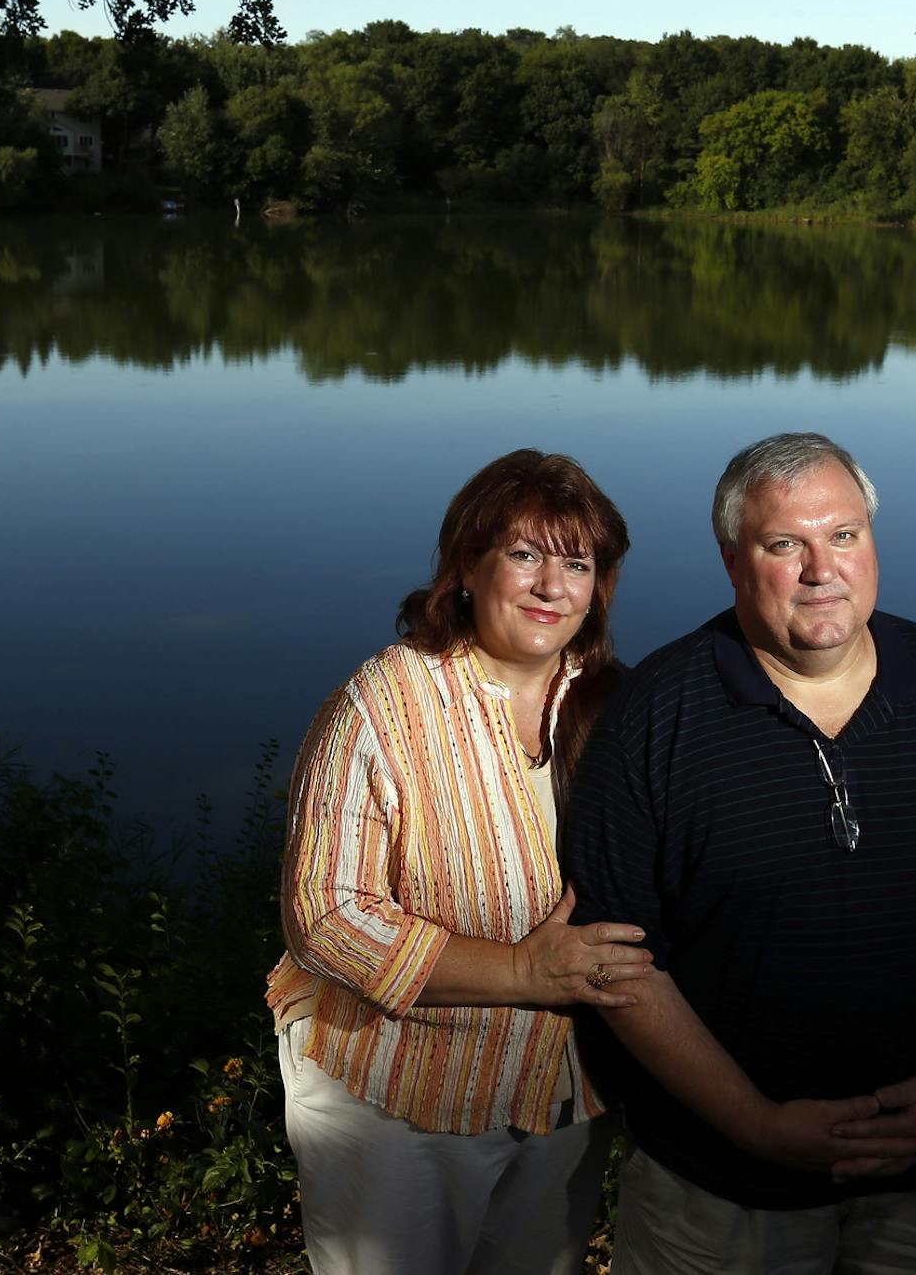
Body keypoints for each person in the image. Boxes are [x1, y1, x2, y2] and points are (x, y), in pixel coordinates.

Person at [562, 431, 916, 1275]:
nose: (821, 568)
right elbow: (617, 964)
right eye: (784, 543)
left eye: (844, 535)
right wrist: (757, 1122)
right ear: (731, 561)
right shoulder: (657, 718)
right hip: (720, 1199)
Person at [267, 448, 651, 1275]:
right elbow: (327, 918)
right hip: (398, 1096)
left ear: (600, 587)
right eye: (524, 555)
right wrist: (521, 970)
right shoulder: (384, 701)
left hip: (566, 1091)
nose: (552, 586)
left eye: (577, 564)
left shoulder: (619, 706)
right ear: (467, 569)